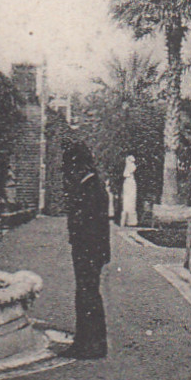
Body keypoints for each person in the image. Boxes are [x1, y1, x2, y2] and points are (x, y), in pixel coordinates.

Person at [63, 141, 110, 358]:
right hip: (90, 249)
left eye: (72, 169)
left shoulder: (91, 187)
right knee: (87, 294)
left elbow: (88, 222)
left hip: (88, 249)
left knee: (87, 295)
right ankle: (87, 342)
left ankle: (90, 344)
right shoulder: (91, 185)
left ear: (80, 166)